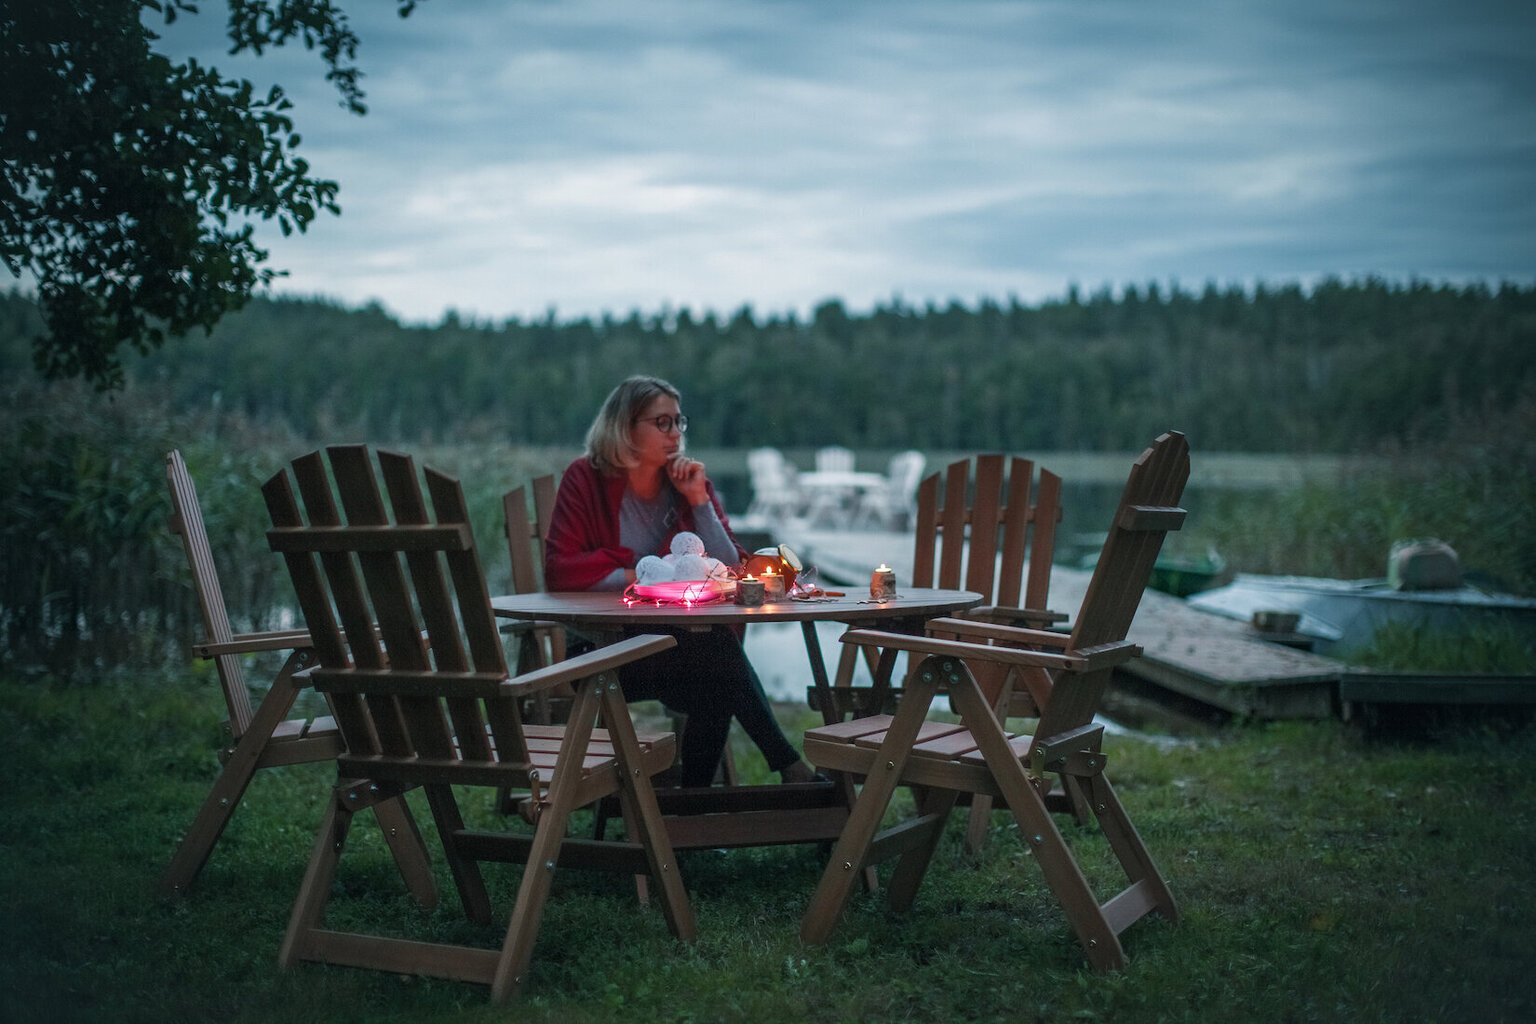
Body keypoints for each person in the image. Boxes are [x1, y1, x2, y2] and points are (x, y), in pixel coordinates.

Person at [543, 374, 818, 787]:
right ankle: (783, 768)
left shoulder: (687, 483)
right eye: (662, 423)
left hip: (676, 648)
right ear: (625, 427)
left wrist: (699, 501)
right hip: (602, 651)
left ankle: (691, 807)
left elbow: (729, 567)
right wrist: (645, 576)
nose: (675, 434)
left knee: (715, 671)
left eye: (678, 422)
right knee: (718, 658)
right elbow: (561, 571)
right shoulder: (585, 479)